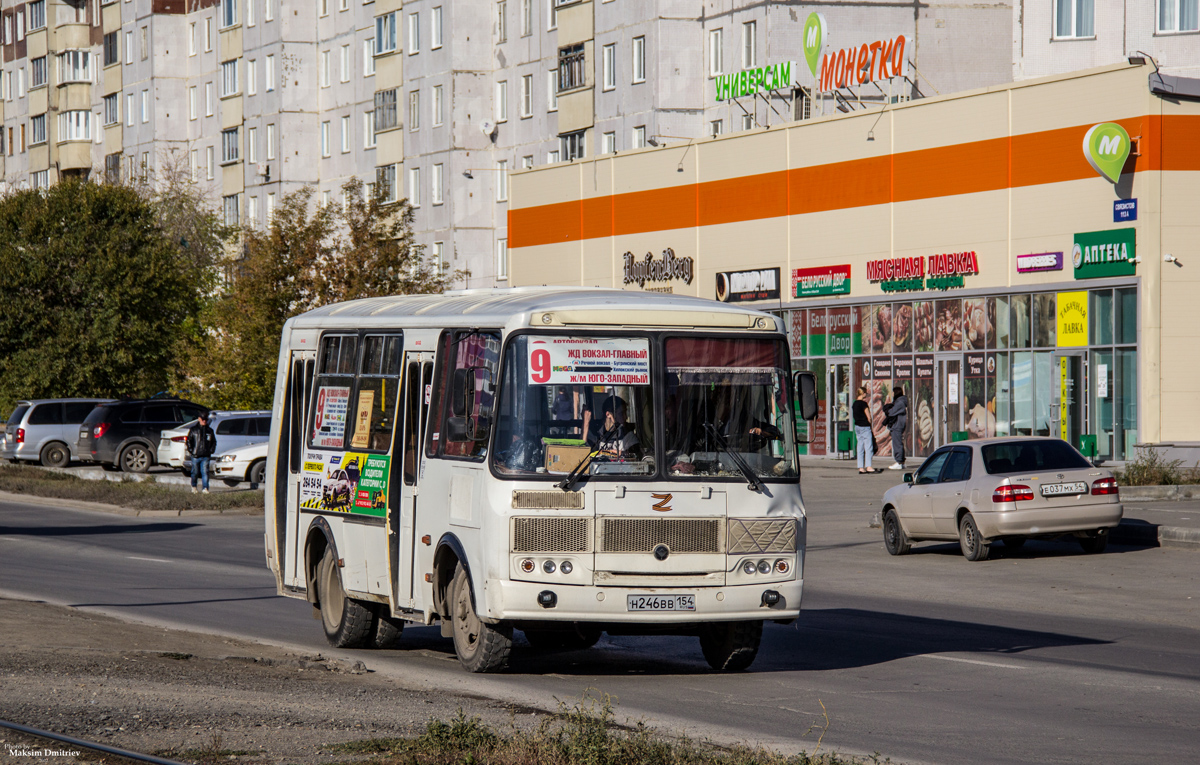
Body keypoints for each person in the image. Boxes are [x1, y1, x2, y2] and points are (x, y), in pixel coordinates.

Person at [186, 412, 217, 494]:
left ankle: (205, 488)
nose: (204, 421)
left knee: (205, 472)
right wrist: (192, 451)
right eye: (203, 419)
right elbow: (189, 441)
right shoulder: (193, 430)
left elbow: (213, 442)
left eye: (206, 419)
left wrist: (211, 450)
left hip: (206, 455)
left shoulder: (210, 431)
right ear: (199, 419)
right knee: (195, 472)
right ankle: (194, 486)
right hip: (196, 455)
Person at [852, 387, 878, 474]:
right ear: (862, 394)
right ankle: (869, 466)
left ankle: (860, 467)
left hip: (857, 427)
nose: (866, 395)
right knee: (868, 447)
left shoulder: (854, 404)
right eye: (865, 393)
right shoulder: (864, 404)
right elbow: (869, 417)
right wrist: (870, 424)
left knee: (860, 446)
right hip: (865, 426)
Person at [885, 386, 909, 470]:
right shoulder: (900, 401)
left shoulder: (900, 403)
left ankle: (899, 462)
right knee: (899, 443)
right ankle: (901, 462)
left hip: (897, 425)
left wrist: (887, 409)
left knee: (897, 443)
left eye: (893, 392)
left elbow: (891, 412)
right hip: (898, 424)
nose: (891, 394)